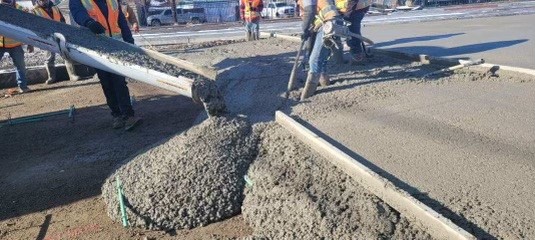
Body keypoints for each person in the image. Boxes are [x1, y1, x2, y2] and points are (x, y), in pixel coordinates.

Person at [69, 0, 141, 130]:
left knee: (119, 82)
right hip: (97, 48)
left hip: (115, 47)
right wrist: (88, 22)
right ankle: (117, 115)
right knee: (107, 83)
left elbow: (122, 22)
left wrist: (130, 42)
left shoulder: (112, 1)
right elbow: (77, 13)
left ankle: (128, 115)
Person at [300, 0, 342, 100]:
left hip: (328, 23)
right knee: (323, 56)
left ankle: (309, 92)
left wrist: (304, 29)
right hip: (330, 21)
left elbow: (310, 11)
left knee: (314, 59)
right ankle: (324, 81)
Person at [32, 0, 81, 84]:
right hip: (47, 37)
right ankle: (51, 77)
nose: (44, 1)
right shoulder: (34, 10)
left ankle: (72, 75)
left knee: (66, 55)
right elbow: (35, 25)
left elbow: (62, 20)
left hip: (59, 35)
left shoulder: (54, 7)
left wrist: (64, 32)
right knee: (49, 57)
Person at [0, 0, 33, 93]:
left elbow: (28, 26)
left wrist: (30, 43)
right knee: (20, 66)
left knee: (20, 66)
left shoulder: (19, 8)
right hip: (1, 43)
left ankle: (23, 86)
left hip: (15, 44)